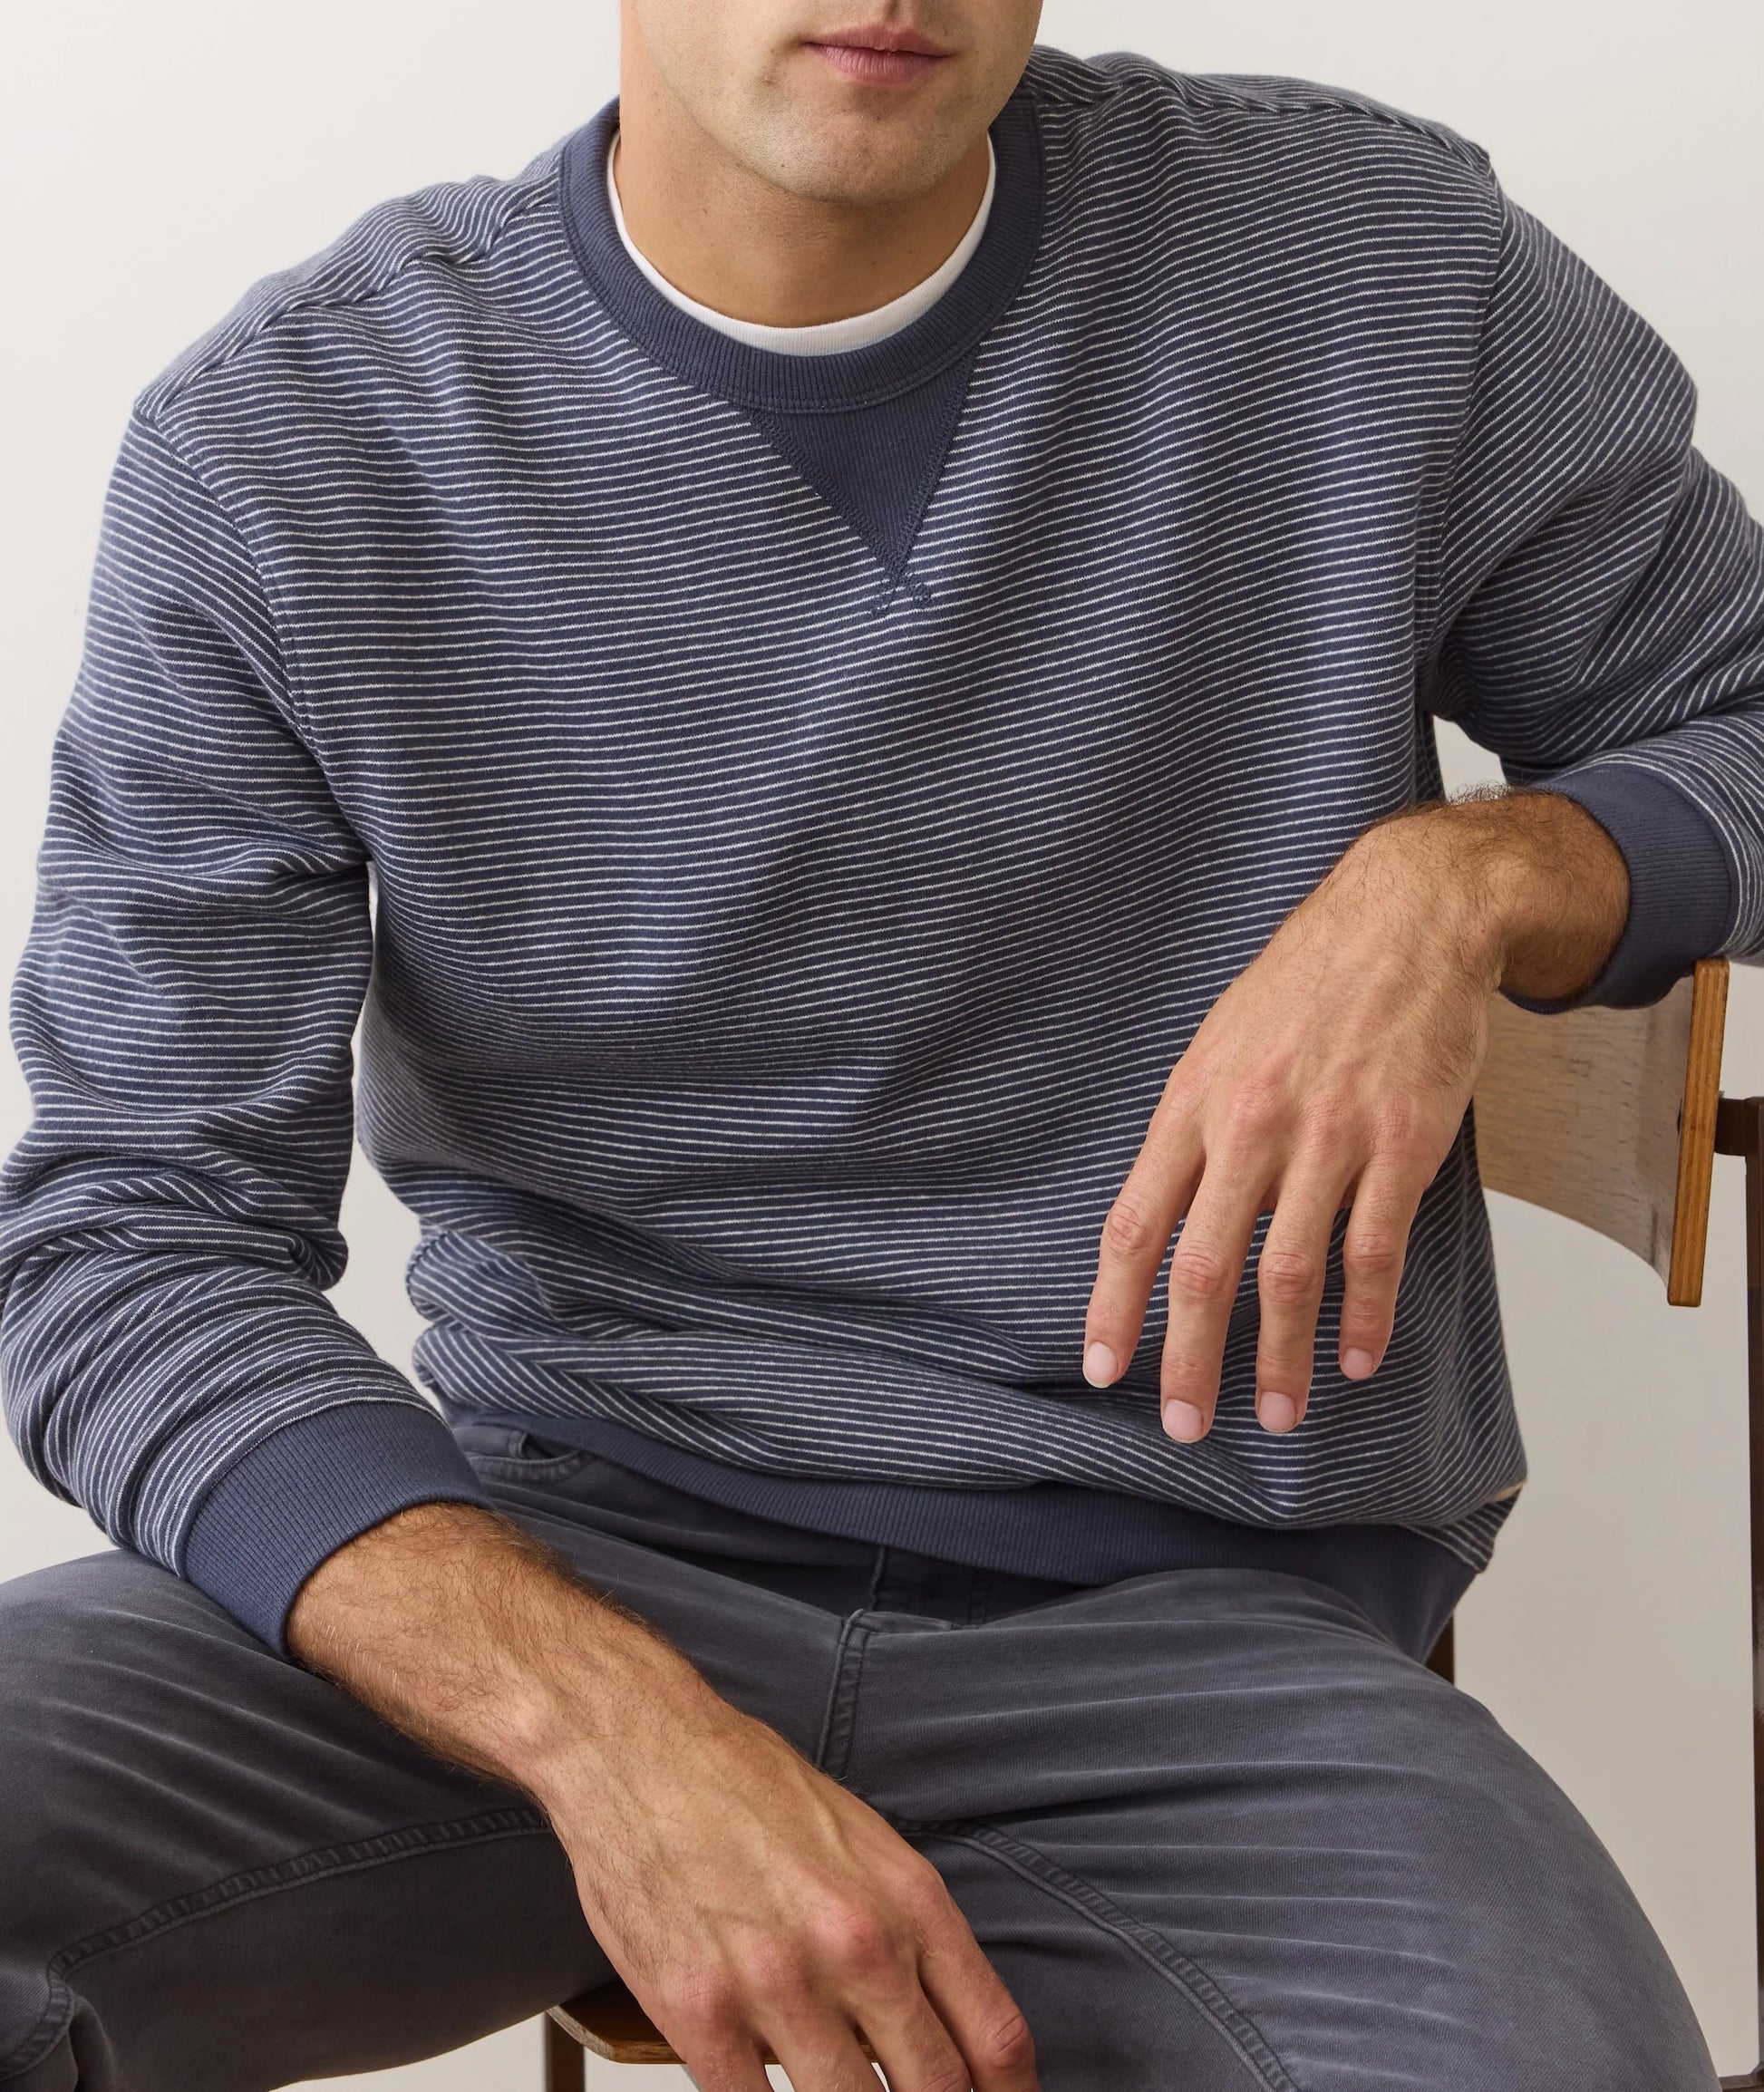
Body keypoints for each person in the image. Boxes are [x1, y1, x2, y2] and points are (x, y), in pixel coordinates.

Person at [1, 1, 1759, 2085]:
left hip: (1210, 1630)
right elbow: (130, 1235)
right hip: (559, 1567)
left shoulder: (1362, 266)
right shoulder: (291, 448)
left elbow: (1729, 700)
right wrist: (610, 1730)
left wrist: (1466, 878)